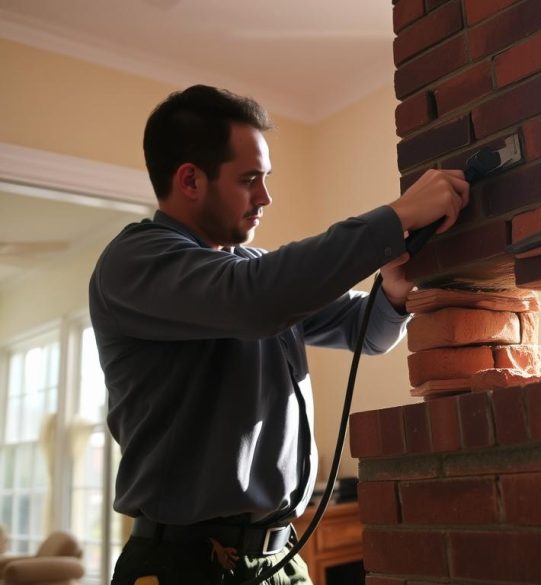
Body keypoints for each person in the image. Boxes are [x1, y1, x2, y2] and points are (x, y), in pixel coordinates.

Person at [89, 85, 469, 584]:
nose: (265, 197)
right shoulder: (136, 262)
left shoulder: (253, 270)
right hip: (186, 566)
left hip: (281, 557)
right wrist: (394, 218)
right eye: (249, 180)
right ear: (190, 180)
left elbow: (366, 332)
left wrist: (394, 293)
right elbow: (253, 300)